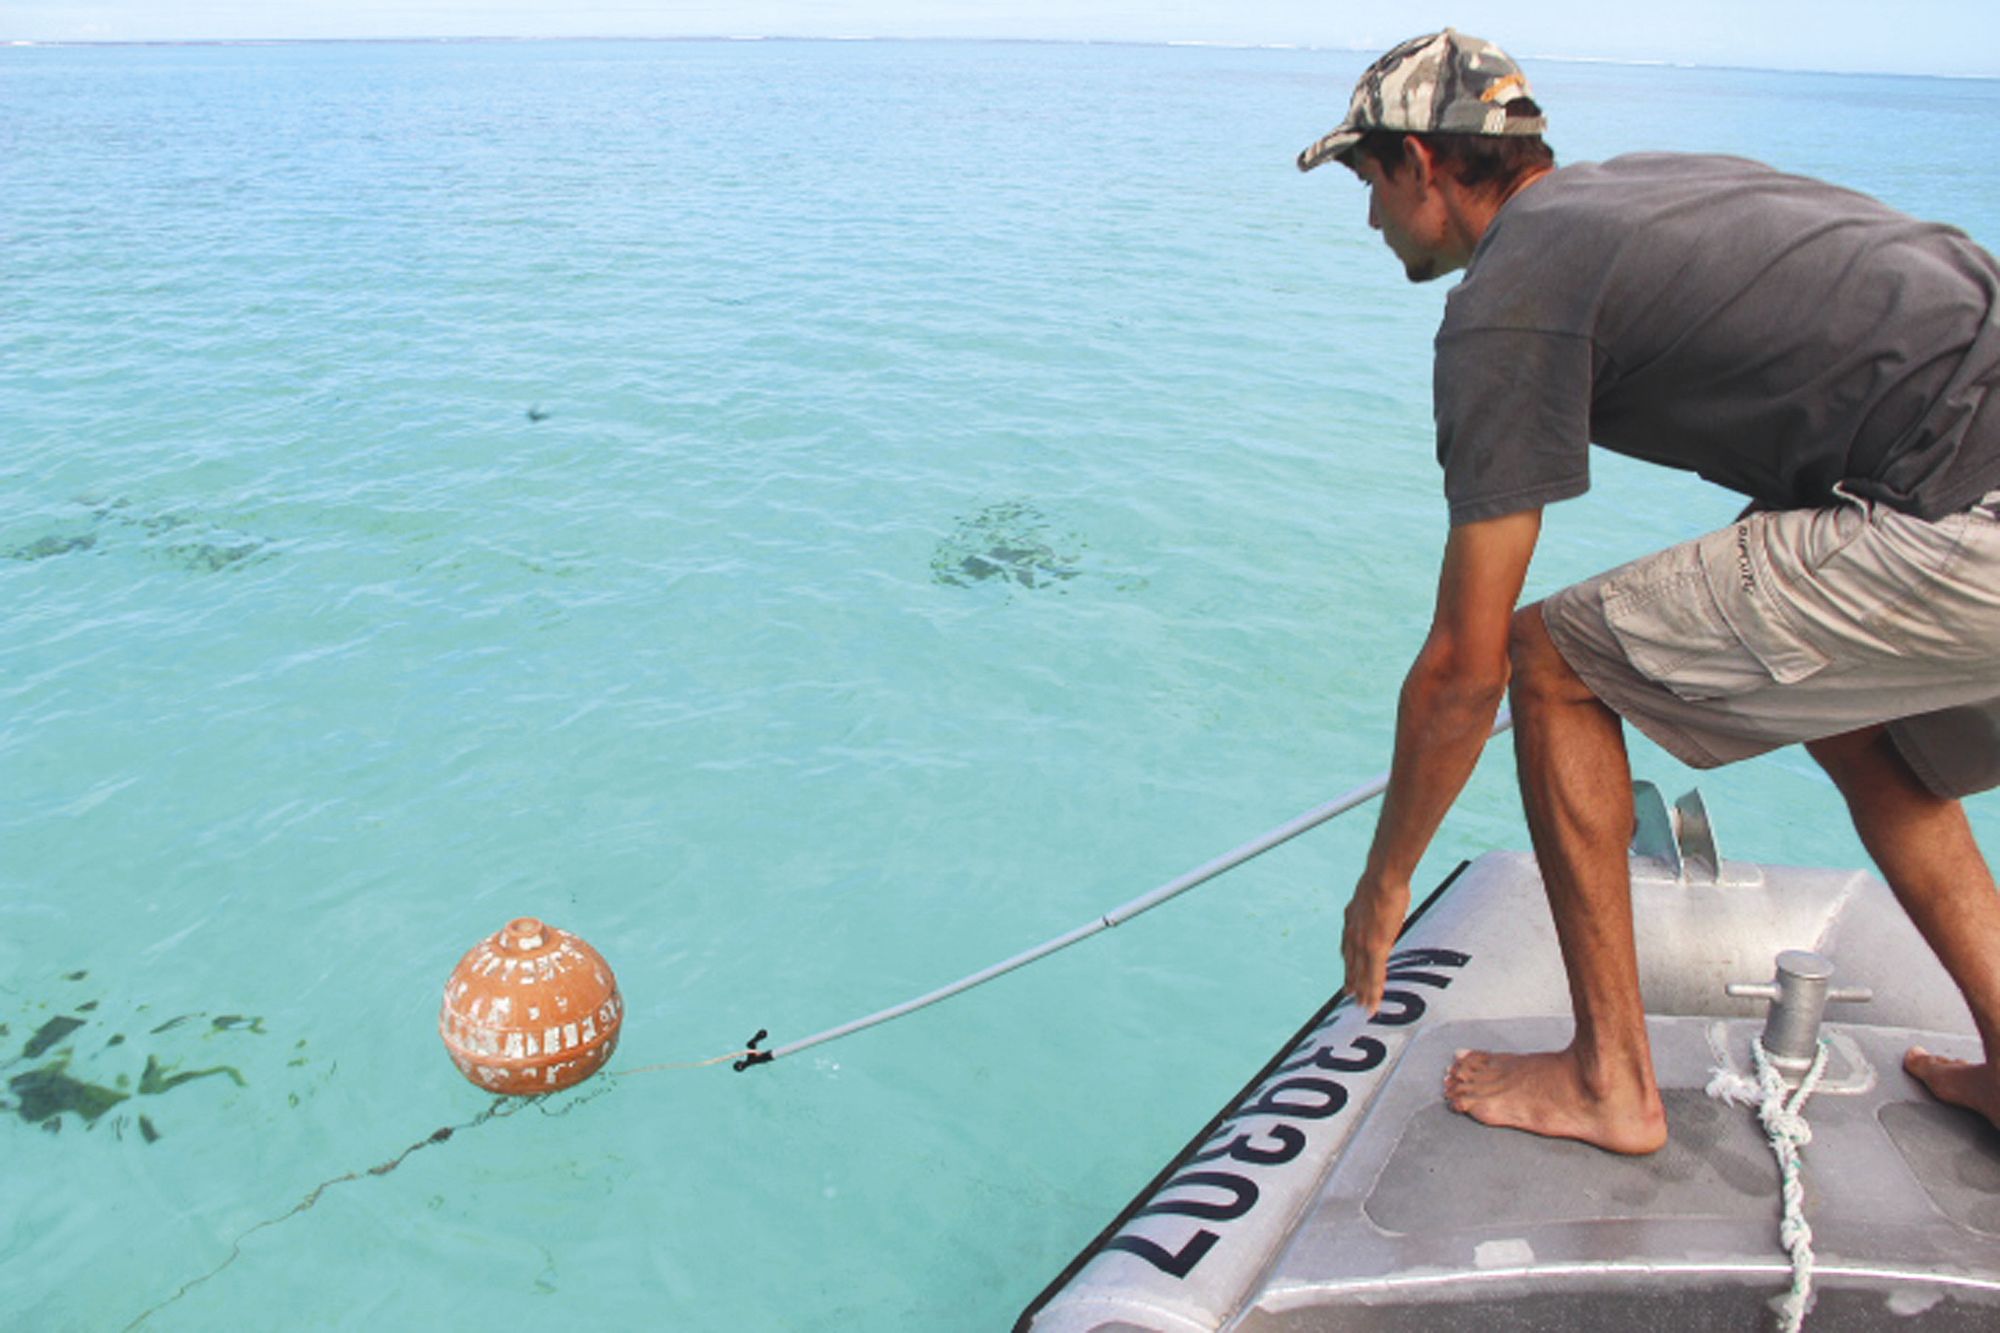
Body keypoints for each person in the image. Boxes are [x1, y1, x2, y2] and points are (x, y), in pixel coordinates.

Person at [1299, 29, 2000, 1154]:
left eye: (1366, 178)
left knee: (1548, 662)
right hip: (1958, 467)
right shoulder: (1637, 191)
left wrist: (1382, 885)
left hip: (1959, 515)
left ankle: (1607, 1078)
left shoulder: (1506, 305)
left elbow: (1460, 664)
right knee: (1854, 720)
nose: (1368, 214)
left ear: (1422, 164)